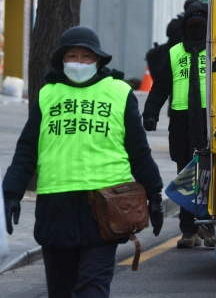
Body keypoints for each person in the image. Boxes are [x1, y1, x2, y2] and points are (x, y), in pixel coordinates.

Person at [2, 26, 164, 297]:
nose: (79, 63)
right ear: (62, 61)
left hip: (106, 207)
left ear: (98, 60)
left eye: (86, 57)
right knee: (61, 291)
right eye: (72, 56)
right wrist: (10, 193)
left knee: (92, 289)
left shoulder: (118, 93)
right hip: (56, 210)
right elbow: (27, 149)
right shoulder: (48, 95)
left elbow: (138, 151)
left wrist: (155, 194)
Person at [142, 1, 214, 248]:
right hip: (182, 121)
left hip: (210, 119)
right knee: (186, 176)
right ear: (185, 26)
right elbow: (161, 86)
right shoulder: (175, 52)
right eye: (192, 24)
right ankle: (189, 231)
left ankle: (210, 227)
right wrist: (150, 112)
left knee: (211, 175)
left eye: (201, 24)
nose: (197, 28)